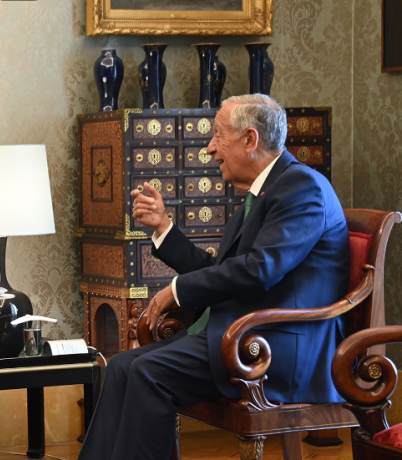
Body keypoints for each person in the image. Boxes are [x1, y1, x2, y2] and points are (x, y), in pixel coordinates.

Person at [78, 94, 350, 460]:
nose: (209, 148)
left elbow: (258, 271)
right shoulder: (264, 191)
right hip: (242, 335)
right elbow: (223, 272)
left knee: (146, 373)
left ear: (250, 140)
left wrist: (177, 291)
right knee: (122, 367)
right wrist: (163, 228)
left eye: (218, 136)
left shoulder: (302, 189)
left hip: (274, 349)